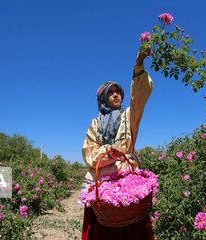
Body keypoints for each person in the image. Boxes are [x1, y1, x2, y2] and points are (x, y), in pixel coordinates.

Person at [80, 46, 154, 240]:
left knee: (133, 228)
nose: (116, 95)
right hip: (103, 183)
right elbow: (89, 153)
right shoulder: (95, 124)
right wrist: (108, 152)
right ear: (102, 98)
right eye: (110, 92)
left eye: (118, 91)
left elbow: (139, 98)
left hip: (127, 179)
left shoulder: (129, 116)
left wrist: (138, 66)